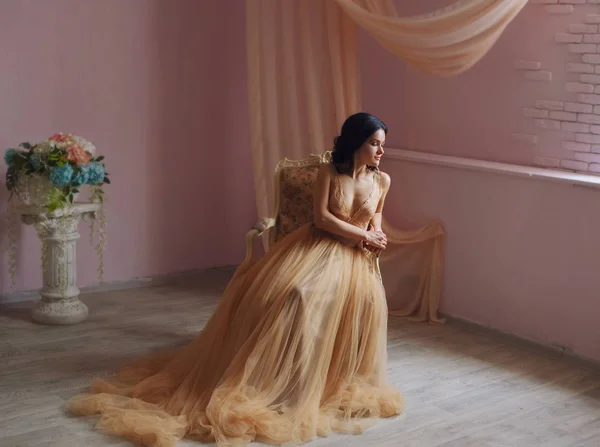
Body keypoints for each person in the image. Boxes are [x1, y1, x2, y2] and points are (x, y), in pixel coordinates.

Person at [67, 112, 404, 447]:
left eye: (382, 145)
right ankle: (282, 379)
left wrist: (376, 235)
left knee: (368, 300)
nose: (380, 151)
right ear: (355, 142)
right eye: (374, 143)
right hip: (317, 246)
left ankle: (328, 378)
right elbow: (322, 218)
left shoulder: (382, 180)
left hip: (355, 257)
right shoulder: (329, 172)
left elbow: (376, 217)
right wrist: (364, 233)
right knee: (296, 293)